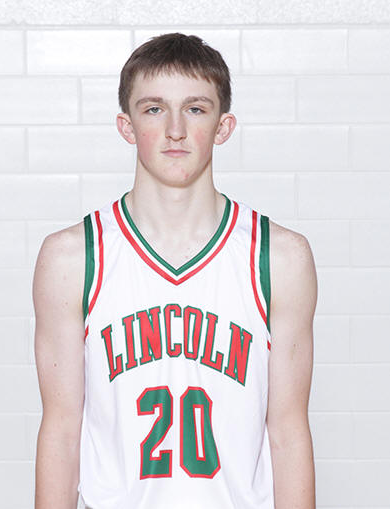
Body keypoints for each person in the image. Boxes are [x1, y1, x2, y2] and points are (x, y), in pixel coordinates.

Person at [33, 32, 317, 509]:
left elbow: (288, 433)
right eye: (154, 109)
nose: (175, 130)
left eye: (196, 109)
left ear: (224, 127)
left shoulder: (280, 258)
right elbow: (61, 432)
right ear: (126, 126)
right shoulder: (72, 258)